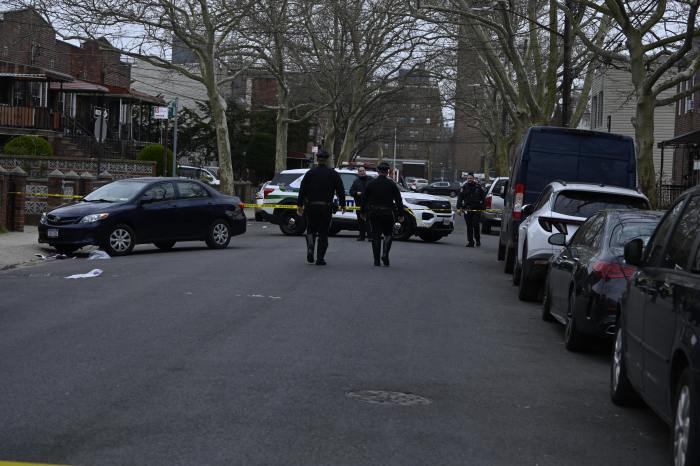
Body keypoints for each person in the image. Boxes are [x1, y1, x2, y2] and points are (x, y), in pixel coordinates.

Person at [297, 150, 346, 265]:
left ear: (317, 159)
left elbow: (302, 190)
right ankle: (320, 258)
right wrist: (343, 204)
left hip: (312, 206)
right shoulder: (333, 174)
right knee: (323, 232)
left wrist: (299, 205)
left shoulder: (310, 173)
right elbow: (340, 190)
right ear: (327, 160)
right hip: (326, 207)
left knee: (311, 229)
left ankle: (310, 247)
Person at [362, 162, 404, 266]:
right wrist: (400, 214)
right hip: (388, 212)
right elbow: (398, 200)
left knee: (376, 236)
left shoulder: (371, 183)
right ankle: (385, 254)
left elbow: (364, 199)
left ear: (378, 171)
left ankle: (376, 260)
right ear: (388, 172)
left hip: (374, 212)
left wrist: (362, 211)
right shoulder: (392, 184)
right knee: (388, 234)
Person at [456, 172, 486, 247]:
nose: (469, 180)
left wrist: (483, 207)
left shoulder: (478, 187)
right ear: (467, 179)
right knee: (469, 226)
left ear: (473, 179)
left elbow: (483, 198)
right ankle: (470, 242)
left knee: (476, 225)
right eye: (468, 178)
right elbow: (460, 198)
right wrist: (458, 208)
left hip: (476, 209)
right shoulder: (464, 187)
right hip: (467, 209)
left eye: (471, 178)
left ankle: (477, 240)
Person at [350, 166, 372, 241]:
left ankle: (370, 237)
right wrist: (356, 193)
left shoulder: (371, 179)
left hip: (369, 204)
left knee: (369, 221)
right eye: (360, 171)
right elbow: (351, 192)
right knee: (360, 221)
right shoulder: (356, 181)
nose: (362, 172)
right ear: (358, 173)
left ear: (365, 171)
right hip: (359, 204)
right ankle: (361, 236)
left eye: (363, 171)